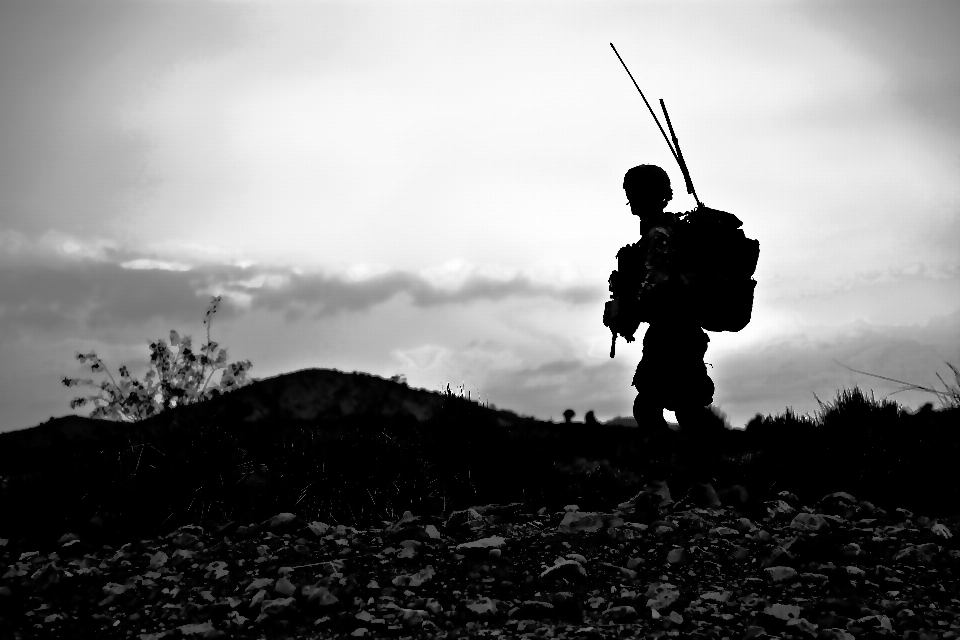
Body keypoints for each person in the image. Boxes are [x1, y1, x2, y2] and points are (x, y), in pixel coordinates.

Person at [622, 164, 718, 485]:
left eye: (634, 193)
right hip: (678, 332)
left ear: (651, 195)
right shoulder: (665, 229)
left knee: (659, 407)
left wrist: (631, 302)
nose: (631, 200)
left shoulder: (659, 233)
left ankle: (682, 480)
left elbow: (656, 281)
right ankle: (695, 478)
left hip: (674, 334)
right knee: (677, 407)